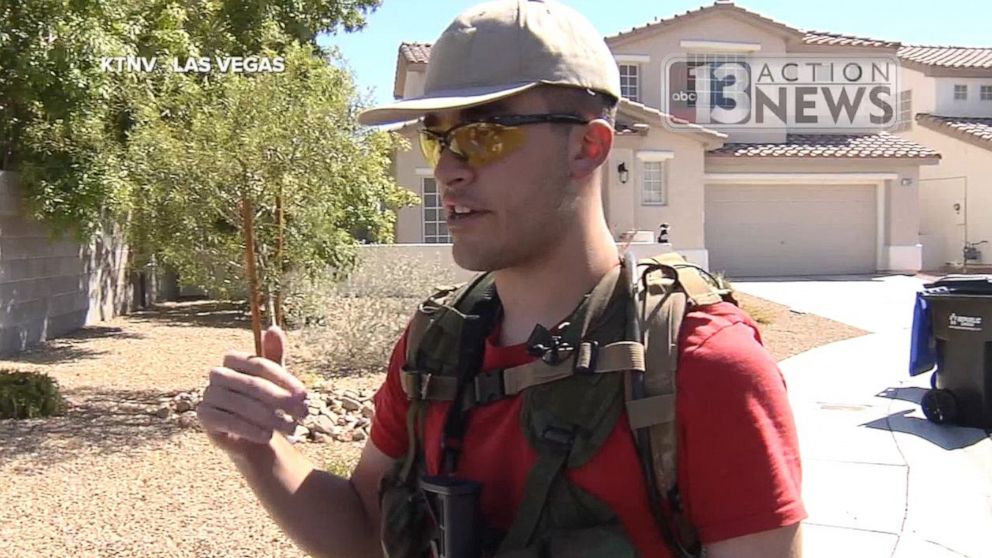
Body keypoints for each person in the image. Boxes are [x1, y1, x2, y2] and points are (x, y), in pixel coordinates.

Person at [196, 1, 806, 556]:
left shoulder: (705, 363)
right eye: (437, 141)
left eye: (482, 135)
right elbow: (364, 530)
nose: (450, 172)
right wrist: (257, 447)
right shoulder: (434, 341)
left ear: (589, 148)